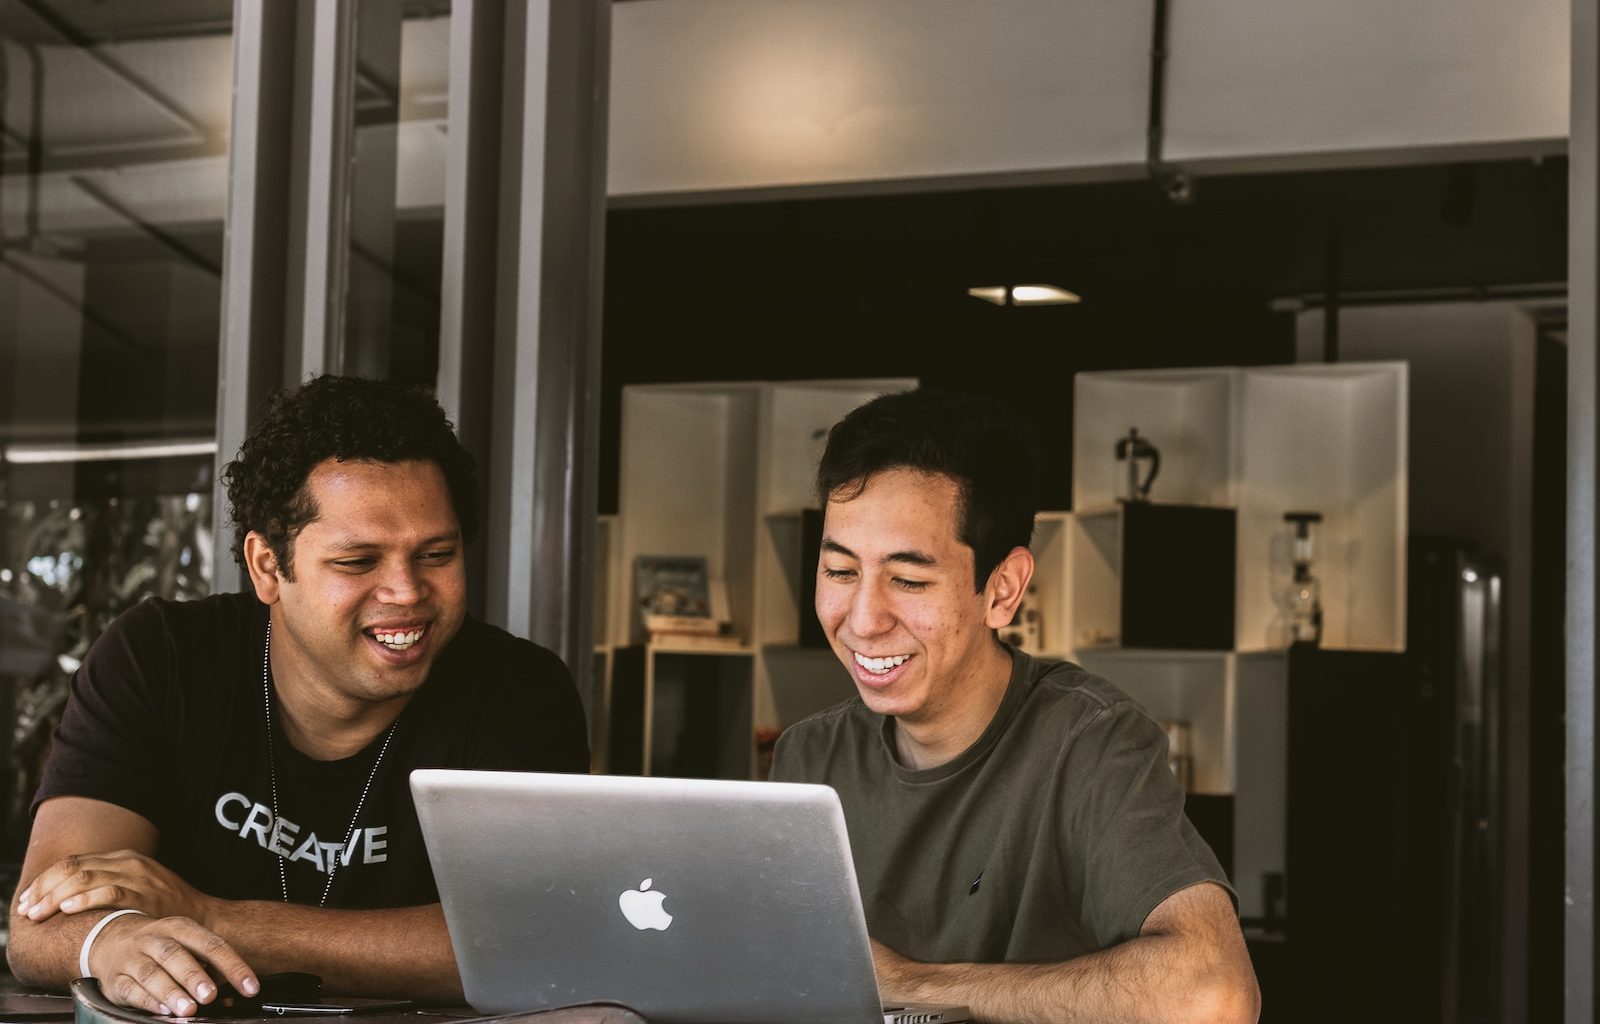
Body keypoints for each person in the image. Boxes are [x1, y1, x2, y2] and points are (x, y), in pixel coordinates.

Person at [7, 375, 589, 1015]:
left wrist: (211, 919)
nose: (406, 591)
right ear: (267, 568)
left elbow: (523, 942)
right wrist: (109, 941)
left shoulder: (519, 691)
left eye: (437, 554)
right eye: (357, 562)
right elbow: (42, 920)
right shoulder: (162, 657)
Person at [770, 389, 1260, 1024]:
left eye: (909, 580)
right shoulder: (811, 754)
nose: (863, 620)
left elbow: (1214, 995)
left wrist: (909, 983)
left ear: (1002, 590)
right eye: (840, 572)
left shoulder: (1092, 743)